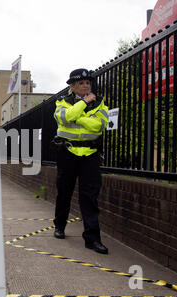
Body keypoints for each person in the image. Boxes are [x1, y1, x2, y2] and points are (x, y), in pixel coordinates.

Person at [52, 68, 109, 254]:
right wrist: (84, 104)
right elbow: (65, 117)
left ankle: (92, 239)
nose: (86, 86)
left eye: (88, 83)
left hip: (90, 155)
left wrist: (79, 116)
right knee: (64, 192)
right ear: (73, 86)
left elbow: (99, 126)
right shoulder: (62, 102)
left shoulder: (100, 103)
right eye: (81, 83)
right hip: (67, 152)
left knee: (90, 197)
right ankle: (59, 225)